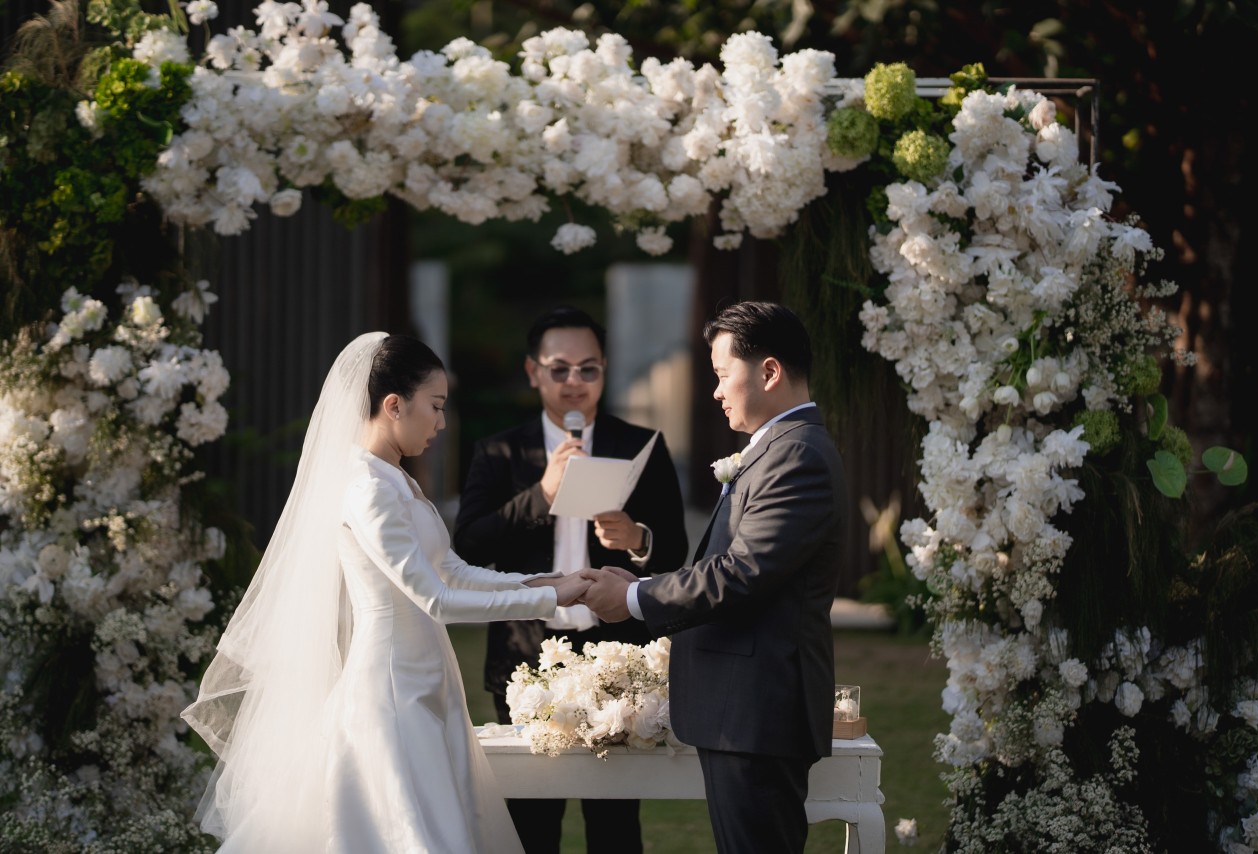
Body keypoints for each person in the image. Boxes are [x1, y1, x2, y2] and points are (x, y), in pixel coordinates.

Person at [181, 332, 590, 853]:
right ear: (394, 405)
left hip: (427, 681)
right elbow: (436, 599)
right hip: (393, 692)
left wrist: (547, 582)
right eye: (435, 406)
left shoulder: (396, 479)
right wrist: (551, 601)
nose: (442, 423)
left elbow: (453, 570)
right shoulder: (368, 488)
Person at [581, 300, 849, 854]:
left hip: (757, 710)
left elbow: (742, 572)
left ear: (769, 372)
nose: (716, 392)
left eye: (724, 375)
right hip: (742, 709)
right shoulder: (778, 449)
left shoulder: (797, 454)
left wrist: (633, 596)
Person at [453, 305, 688, 854]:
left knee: (615, 821)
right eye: (559, 369)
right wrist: (542, 494)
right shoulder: (500, 451)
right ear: (533, 371)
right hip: (526, 651)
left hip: (617, 654)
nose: (574, 381)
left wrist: (638, 538)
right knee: (531, 820)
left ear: (605, 368)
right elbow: (469, 544)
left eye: (588, 368)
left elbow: (676, 550)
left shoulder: (640, 444)